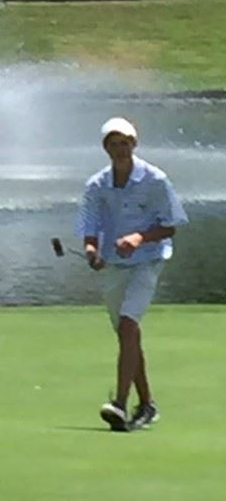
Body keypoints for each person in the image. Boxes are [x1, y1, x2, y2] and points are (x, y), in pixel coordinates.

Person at [76, 116, 188, 432]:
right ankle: (147, 405)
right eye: (113, 144)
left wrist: (140, 237)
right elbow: (89, 225)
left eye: (124, 142)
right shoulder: (97, 185)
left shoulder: (155, 179)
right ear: (105, 148)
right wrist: (90, 250)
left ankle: (120, 404)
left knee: (128, 326)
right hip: (113, 264)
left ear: (134, 144)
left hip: (148, 260)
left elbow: (172, 224)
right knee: (128, 335)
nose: (119, 149)